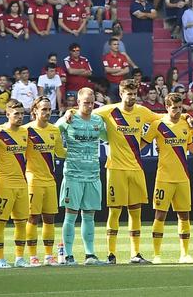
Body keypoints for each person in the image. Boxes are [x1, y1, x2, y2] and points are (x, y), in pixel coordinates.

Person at [87, 78, 161, 264]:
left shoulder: (142, 111)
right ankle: (111, 254)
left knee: (135, 212)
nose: (132, 97)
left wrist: (186, 117)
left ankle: (135, 254)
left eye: (134, 94)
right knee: (115, 212)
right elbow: (85, 112)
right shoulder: (110, 111)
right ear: (121, 94)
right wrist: (70, 113)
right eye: (129, 94)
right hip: (116, 169)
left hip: (136, 168)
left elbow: (162, 118)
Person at [142, 92, 193, 264]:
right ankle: (157, 255)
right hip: (164, 177)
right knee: (160, 215)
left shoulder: (185, 124)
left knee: (184, 215)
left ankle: (185, 254)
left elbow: (189, 145)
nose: (178, 111)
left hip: (182, 177)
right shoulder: (158, 125)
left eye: (180, 107)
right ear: (167, 107)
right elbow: (142, 144)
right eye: (174, 108)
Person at [55, 86, 107, 265]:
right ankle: (68, 255)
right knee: (70, 215)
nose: (89, 106)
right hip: (73, 174)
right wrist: (61, 152)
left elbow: (108, 138)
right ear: (78, 102)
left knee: (89, 215)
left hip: (93, 174)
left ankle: (90, 255)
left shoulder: (98, 120)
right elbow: (52, 134)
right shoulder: (68, 119)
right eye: (86, 103)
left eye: (92, 103)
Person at [0, 100, 33, 268]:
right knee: (0, 222)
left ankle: (19, 258)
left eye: (22, 114)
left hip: (22, 183)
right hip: (3, 183)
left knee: (21, 222)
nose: (20, 117)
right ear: (7, 114)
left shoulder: (25, 132)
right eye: (16, 114)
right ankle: (0, 259)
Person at [24, 97, 65, 266]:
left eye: (49, 109)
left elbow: (60, 152)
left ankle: (49, 256)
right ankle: (33, 256)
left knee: (49, 218)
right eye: (44, 109)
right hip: (33, 180)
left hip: (50, 180)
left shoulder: (54, 130)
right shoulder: (26, 130)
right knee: (33, 217)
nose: (47, 112)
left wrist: (80, 150)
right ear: (35, 111)